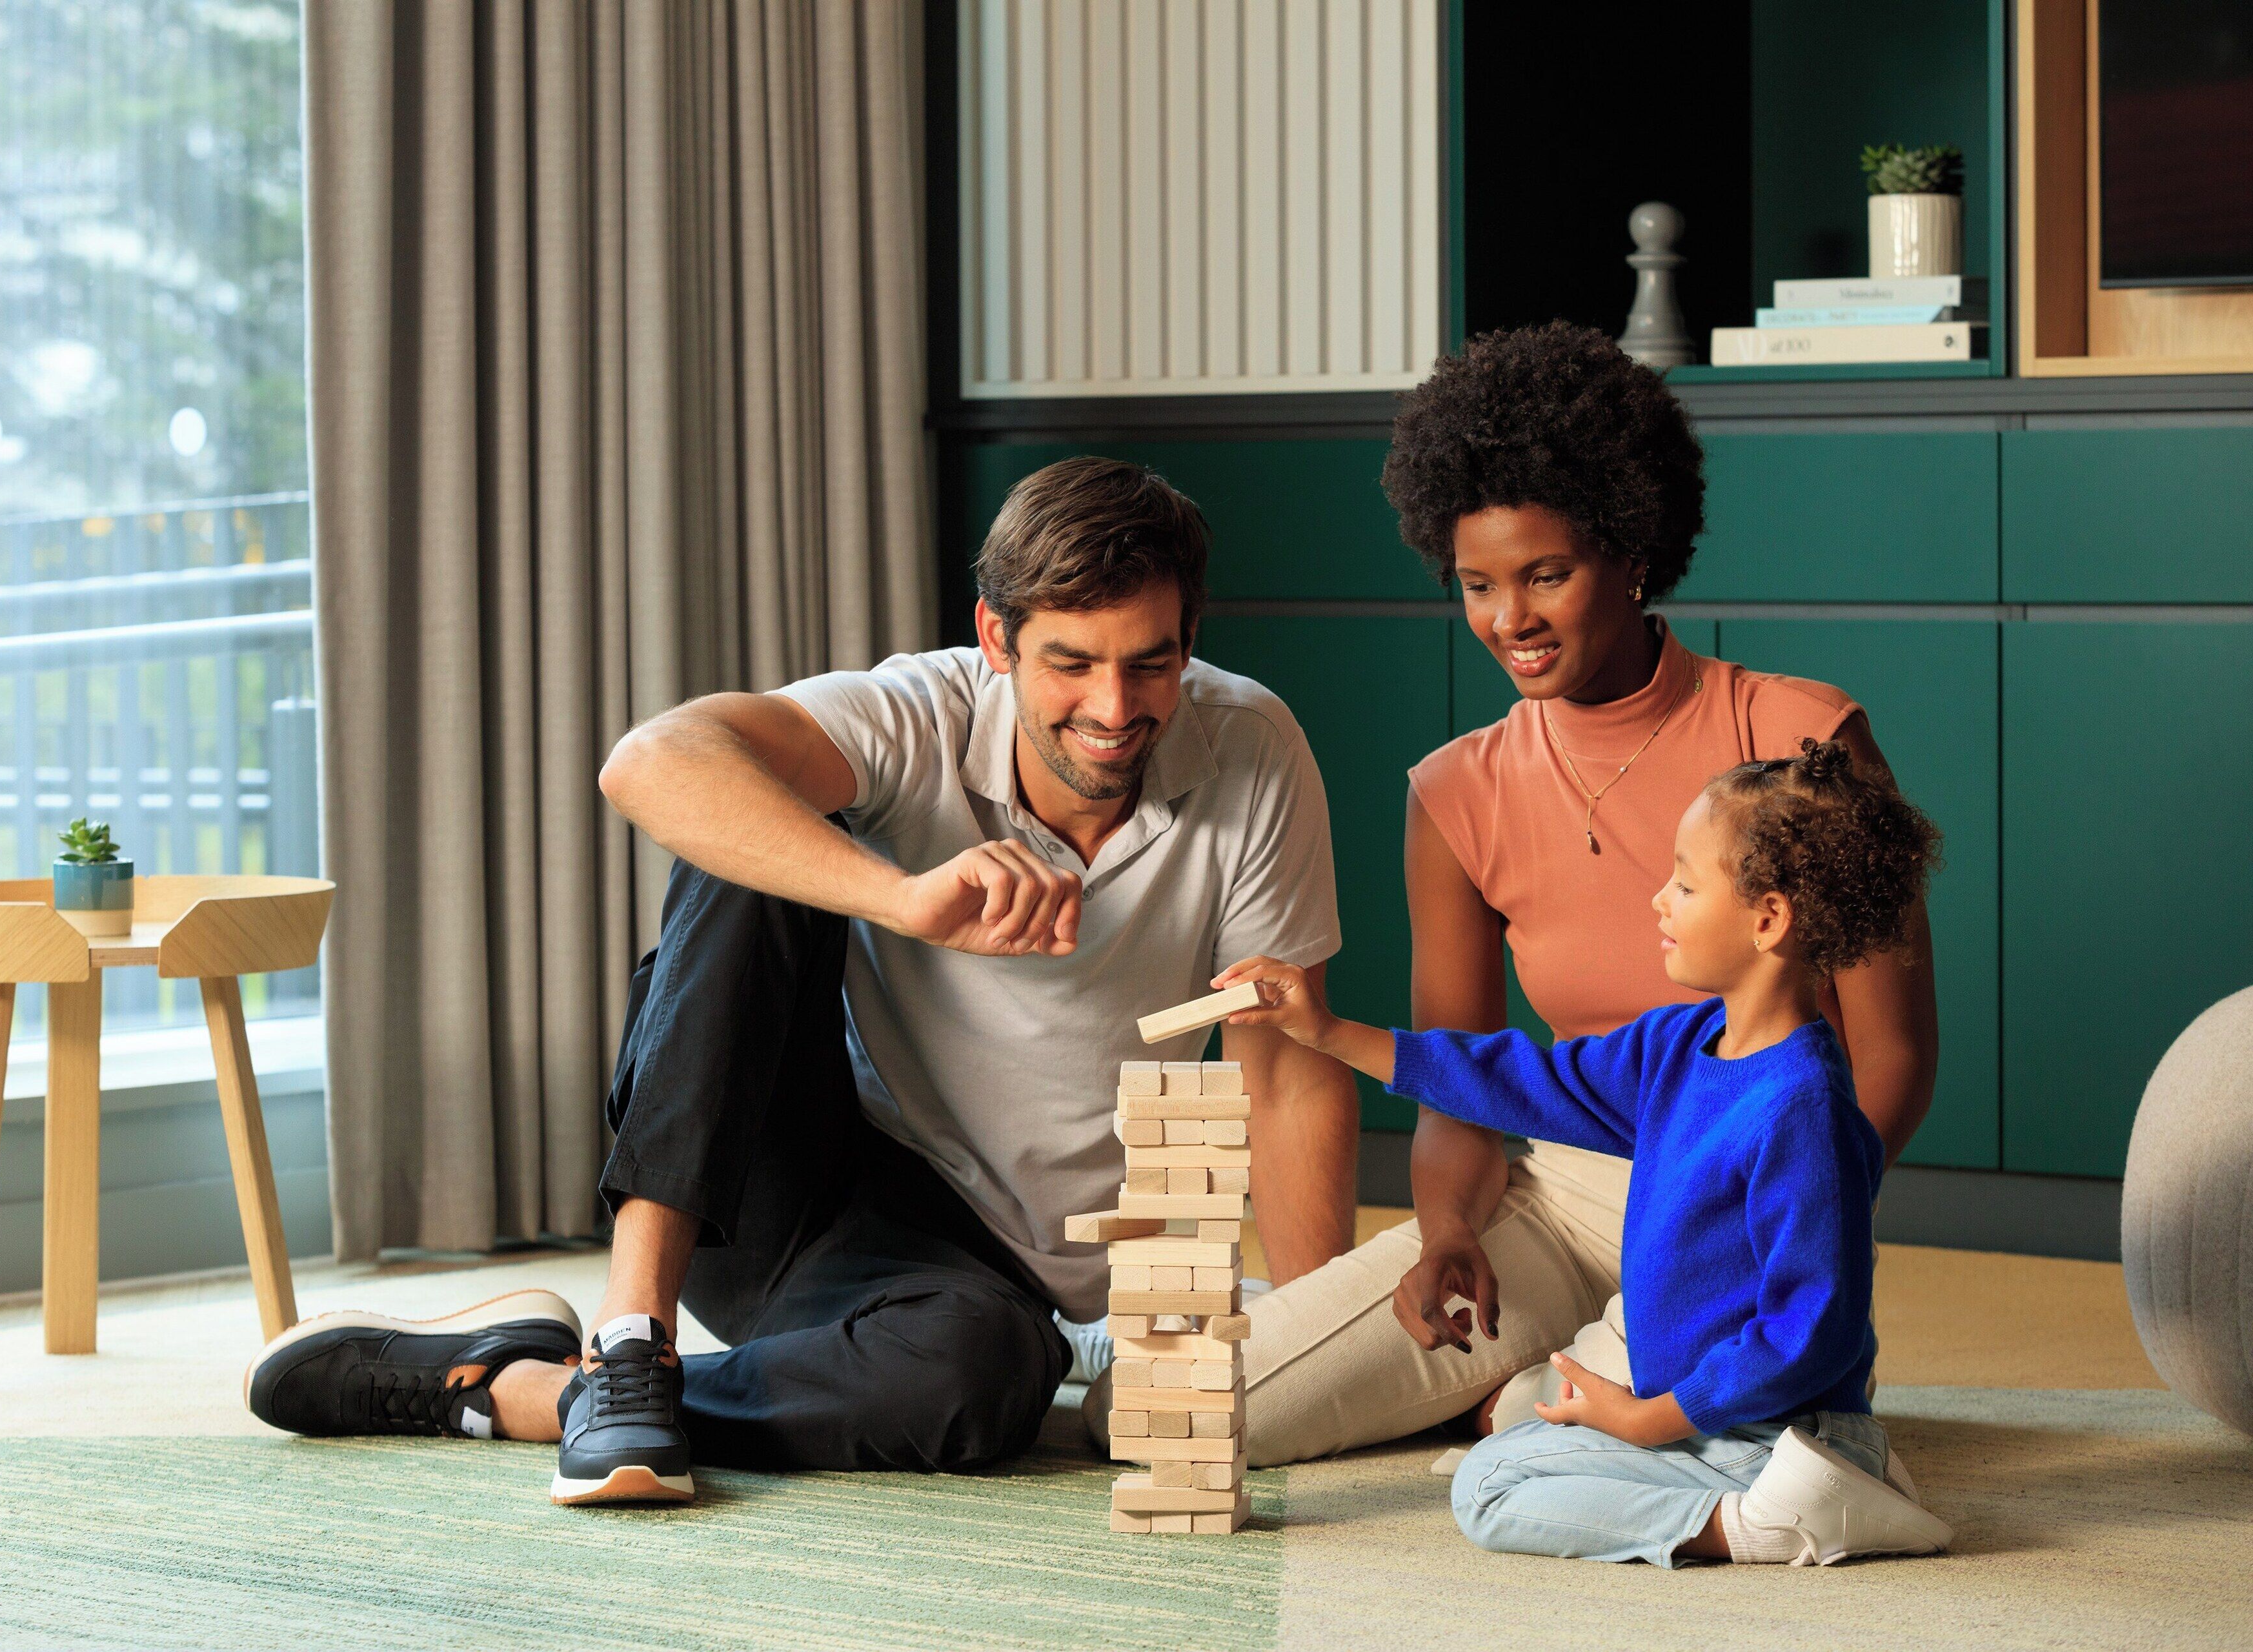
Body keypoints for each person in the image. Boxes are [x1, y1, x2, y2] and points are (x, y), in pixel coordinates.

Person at [240, 456, 1359, 1504]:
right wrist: (905, 897)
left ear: (1190, 639)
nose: (1116, 711)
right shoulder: (917, 714)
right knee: (751, 841)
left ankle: (525, 1391)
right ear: (997, 640)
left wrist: (1326, 1350)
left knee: (986, 1384)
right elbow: (650, 762)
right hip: (797, 1194)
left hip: (989, 1289)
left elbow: (1289, 1076)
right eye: (1071, 662)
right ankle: (631, 1340)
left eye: (1150, 662)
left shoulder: (1252, 751)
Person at [1226, 321, 1943, 1468]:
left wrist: (1800, 1209)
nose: (1511, 618)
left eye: (1545, 574)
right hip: (1558, 1196)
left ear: (1632, 551)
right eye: (1477, 585)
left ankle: (1559, 1396)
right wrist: (1450, 1229)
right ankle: (1527, 1377)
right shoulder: (1457, 792)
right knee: (1216, 1406)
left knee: (1542, 1435)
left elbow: (1893, 1050)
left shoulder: (1801, 738)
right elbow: (1466, 1071)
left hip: (1750, 1193)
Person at [1220, 739, 1955, 1566]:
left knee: (1488, 1490)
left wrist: (1656, 1419)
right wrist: (1326, 1031)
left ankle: (1775, 1516)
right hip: (1710, 1411)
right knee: (1506, 1455)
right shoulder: (1683, 1046)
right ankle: (1809, 1489)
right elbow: (1518, 1080)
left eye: (1684, 882)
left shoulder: (1804, 1111)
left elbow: (1810, 1330)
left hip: (1771, 1424)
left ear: (1768, 919)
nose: (1657, 899)